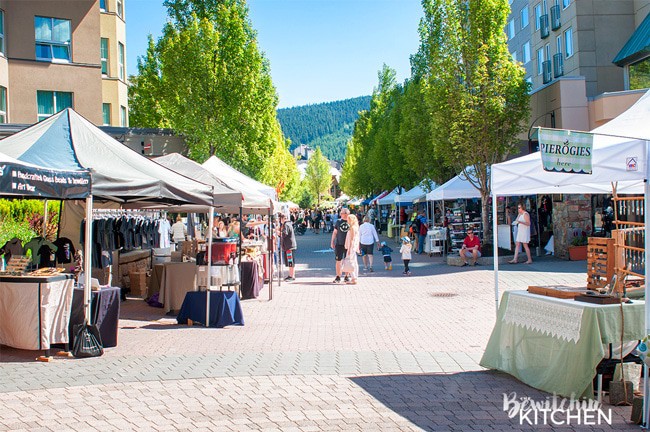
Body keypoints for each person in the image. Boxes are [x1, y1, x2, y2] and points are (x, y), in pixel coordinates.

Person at [331, 207, 350, 284]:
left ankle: (346, 276)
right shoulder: (338, 222)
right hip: (339, 244)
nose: (341, 214)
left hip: (348, 244)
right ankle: (338, 276)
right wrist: (332, 241)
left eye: (342, 213)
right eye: (341, 213)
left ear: (346, 214)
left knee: (347, 261)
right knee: (338, 260)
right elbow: (335, 232)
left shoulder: (351, 221)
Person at [279, 213, 297, 281]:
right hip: (289, 245)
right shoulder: (288, 224)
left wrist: (278, 233)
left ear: (283, 219)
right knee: (290, 261)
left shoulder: (286, 225)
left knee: (290, 261)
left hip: (289, 246)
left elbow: (284, 234)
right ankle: (291, 275)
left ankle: (291, 276)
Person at [343, 214, 360, 284]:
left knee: (350, 262)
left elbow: (352, 239)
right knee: (354, 262)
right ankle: (354, 277)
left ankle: (354, 278)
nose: (347, 220)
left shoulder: (352, 228)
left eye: (348, 219)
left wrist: (349, 249)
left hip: (351, 247)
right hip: (354, 247)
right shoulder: (356, 227)